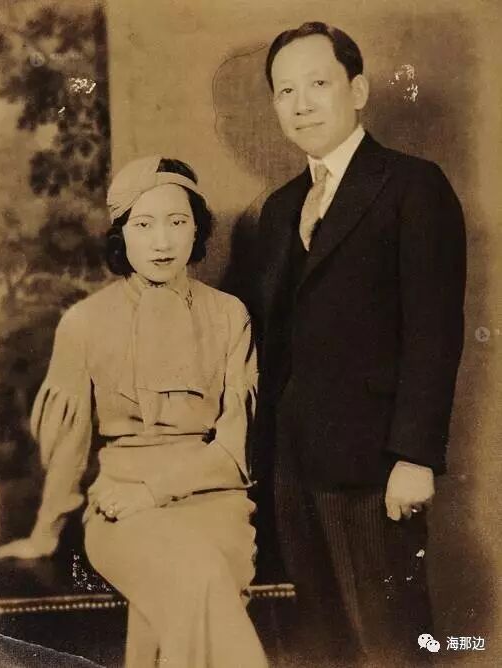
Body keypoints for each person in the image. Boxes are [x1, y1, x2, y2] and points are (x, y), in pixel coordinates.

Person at [0, 155, 268, 668]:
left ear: (197, 230)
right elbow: (71, 443)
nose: (162, 241)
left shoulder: (230, 316)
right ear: (121, 234)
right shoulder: (85, 322)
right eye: (143, 225)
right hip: (120, 509)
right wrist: (45, 531)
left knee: (200, 572)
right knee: (195, 575)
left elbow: (236, 448)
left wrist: (154, 491)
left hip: (215, 504)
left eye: (177, 222)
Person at [252, 21, 466, 666]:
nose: (301, 104)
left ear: (359, 90)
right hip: (292, 469)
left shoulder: (412, 186)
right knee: (321, 644)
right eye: (285, 91)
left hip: (376, 467)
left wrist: (415, 456)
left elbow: (434, 332)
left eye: (318, 84)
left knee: (392, 641)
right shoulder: (281, 208)